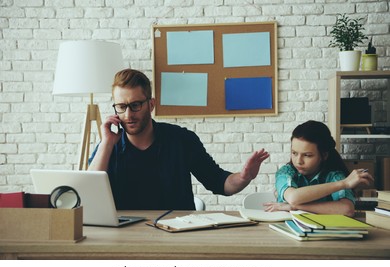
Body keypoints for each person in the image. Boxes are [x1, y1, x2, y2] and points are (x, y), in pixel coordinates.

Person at [88, 68, 269, 210]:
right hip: (125, 237)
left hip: (176, 235)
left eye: (135, 105)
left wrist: (244, 177)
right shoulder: (109, 145)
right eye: (121, 106)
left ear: (151, 105)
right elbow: (88, 193)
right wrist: (106, 143)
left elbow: (219, 182)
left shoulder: (181, 140)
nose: (128, 114)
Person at [264, 120, 374, 217]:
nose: (298, 161)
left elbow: (347, 209)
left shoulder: (333, 175)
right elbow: (293, 197)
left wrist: (295, 207)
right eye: (294, 153)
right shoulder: (286, 172)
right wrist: (344, 184)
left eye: (307, 155)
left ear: (324, 155)